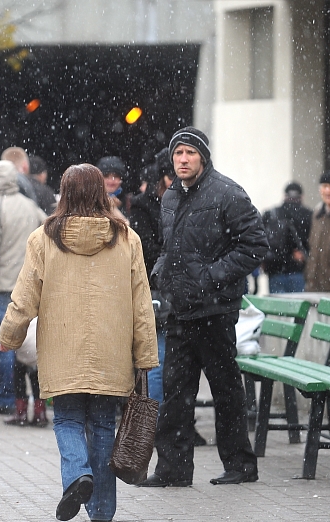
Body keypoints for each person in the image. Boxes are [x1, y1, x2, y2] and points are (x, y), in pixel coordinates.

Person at [0, 163, 158, 522]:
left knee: (67, 418)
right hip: (111, 350)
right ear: (103, 193)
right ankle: (101, 509)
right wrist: (146, 354)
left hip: (61, 348)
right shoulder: (127, 238)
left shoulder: (44, 238)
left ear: (64, 193)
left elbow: (25, 296)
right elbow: (141, 303)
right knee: (102, 424)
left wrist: (10, 335)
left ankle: (77, 476)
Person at [140, 126, 267, 488]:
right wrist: (162, 269)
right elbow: (171, 246)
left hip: (215, 310)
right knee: (175, 393)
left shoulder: (227, 193)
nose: (183, 159)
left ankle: (241, 465)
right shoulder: (170, 198)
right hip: (180, 310)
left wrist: (213, 276)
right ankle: (173, 470)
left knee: (225, 389)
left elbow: (255, 245)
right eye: (178, 153)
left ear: (203, 157)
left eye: (190, 153)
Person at [0, 160, 46, 415]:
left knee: (4, 344)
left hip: (1, 287)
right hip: (32, 285)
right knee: (32, 344)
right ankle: (36, 404)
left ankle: (8, 399)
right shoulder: (31, 206)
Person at [261, 185, 308, 293]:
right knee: (297, 307)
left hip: (275, 269)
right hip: (297, 271)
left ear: (284, 196)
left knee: (277, 308)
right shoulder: (308, 215)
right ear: (302, 196)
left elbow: (259, 239)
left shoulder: (271, 214)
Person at [96, 156, 128, 221]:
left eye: (115, 176)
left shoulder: (130, 202)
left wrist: (113, 209)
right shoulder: (91, 201)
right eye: (106, 176)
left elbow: (130, 229)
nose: (111, 181)